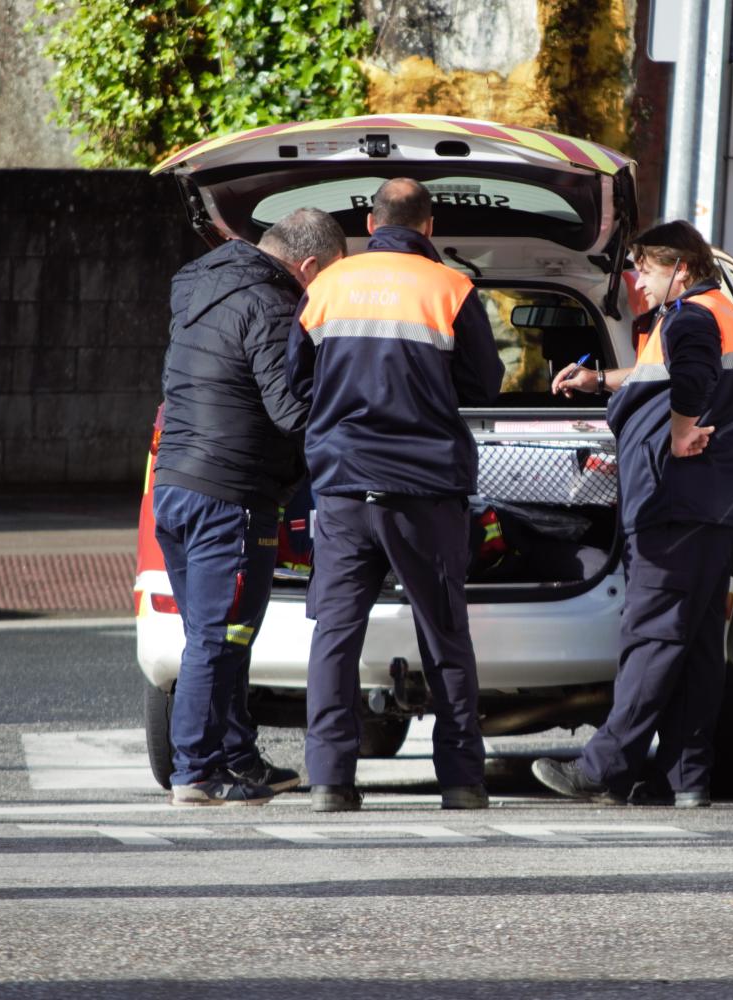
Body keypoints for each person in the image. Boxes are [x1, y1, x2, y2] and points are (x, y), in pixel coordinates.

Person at [288, 177, 505, 812]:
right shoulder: (451, 288)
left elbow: (297, 382)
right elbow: (484, 385)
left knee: (335, 632)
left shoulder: (328, 286)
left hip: (345, 489)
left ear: (369, 220)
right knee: (444, 634)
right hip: (426, 490)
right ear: (429, 226)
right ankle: (462, 781)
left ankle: (329, 779)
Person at [531, 219, 733, 808]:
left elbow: (689, 377)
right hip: (716, 506)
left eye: (646, 268)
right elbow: (661, 373)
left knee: (653, 635)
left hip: (674, 504)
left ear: (681, 267)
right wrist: (598, 380)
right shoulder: (719, 315)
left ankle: (602, 765)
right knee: (696, 644)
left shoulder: (689, 318)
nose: (637, 280)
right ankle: (686, 779)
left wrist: (681, 432)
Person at [153, 208, 347, 806]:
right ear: (308, 265)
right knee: (220, 638)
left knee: (215, 634)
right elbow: (291, 411)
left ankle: (238, 756)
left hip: (175, 486)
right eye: (325, 282)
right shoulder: (270, 304)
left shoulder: (202, 287)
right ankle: (197, 772)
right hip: (229, 497)